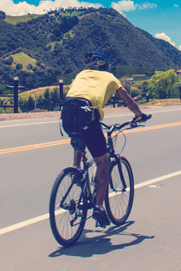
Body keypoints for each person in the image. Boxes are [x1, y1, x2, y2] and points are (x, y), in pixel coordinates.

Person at [60, 52, 148, 228]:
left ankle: (76, 170)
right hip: (88, 116)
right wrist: (140, 115)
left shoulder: (81, 74)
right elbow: (128, 100)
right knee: (102, 161)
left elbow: (77, 95)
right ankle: (99, 207)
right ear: (105, 66)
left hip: (67, 115)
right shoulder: (109, 77)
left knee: (80, 135)